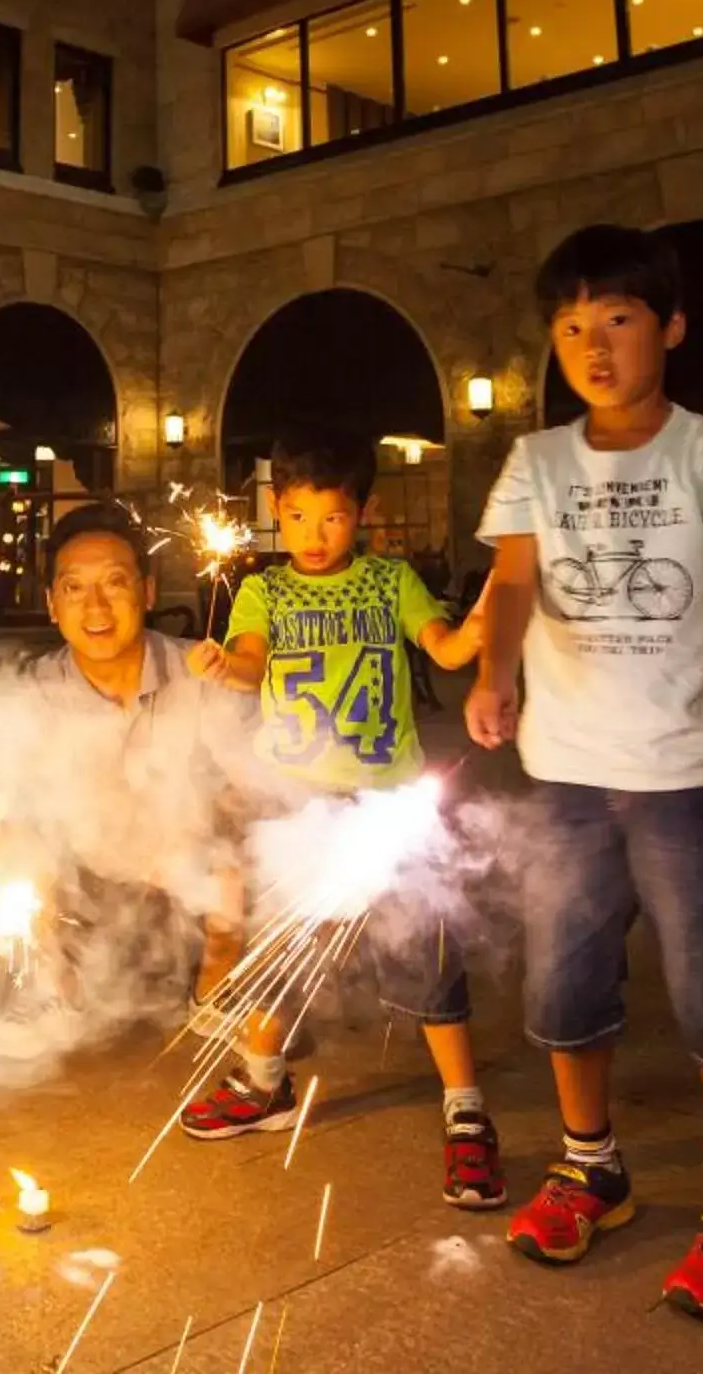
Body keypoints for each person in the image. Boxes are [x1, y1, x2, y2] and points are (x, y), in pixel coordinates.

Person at [466, 223, 703, 1323]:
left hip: (691, 767)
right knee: (563, 983)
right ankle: (589, 1166)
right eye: (571, 326)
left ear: (668, 326)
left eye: (616, 319)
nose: (594, 346)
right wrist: (494, 667)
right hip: (564, 767)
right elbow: (513, 581)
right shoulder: (537, 460)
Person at [176, 428, 495, 1211]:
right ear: (275, 511)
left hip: (385, 807)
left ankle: (465, 1109)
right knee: (279, 951)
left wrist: (491, 615)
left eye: (333, 519)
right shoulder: (264, 591)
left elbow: (447, 651)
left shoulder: (390, 582)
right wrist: (224, 665)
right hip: (294, 805)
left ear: (364, 513)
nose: (314, 537)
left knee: (425, 951)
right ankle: (265, 1083)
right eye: (296, 517)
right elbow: (251, 662)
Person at [0, 500, 248, 1057]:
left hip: (186, 882)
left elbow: (255, 778)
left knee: (253, 842)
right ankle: (53, 989)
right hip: (86, 889)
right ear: (52, 604)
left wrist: (211, 829)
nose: (96, 605)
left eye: (115, 583)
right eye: (74, 588)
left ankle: (216, 990)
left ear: (147, 592)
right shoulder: (35, 692)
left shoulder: (201, 670)